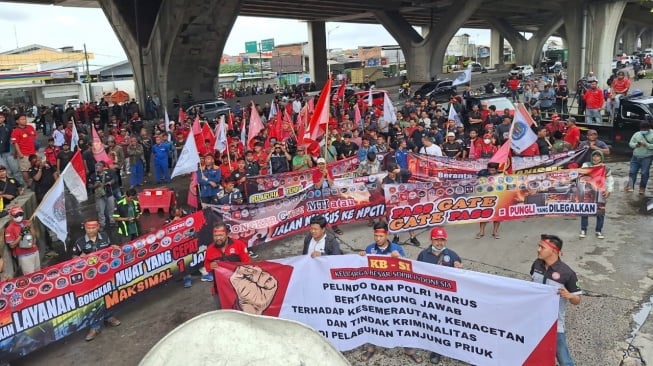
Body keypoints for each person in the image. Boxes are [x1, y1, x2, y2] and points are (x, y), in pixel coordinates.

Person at [358, 222, 421, 363]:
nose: (377, 238)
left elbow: (407, 270)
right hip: (375, 292)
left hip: (394, 294)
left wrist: (399, 258)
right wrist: (361, 256)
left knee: (402, 319)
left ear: (387, 235)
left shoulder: (397, 248)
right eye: (375, 235)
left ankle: (409, 349)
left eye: (380, 236)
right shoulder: (369, 248)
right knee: (373, 319)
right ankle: (371, 348)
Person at [530, 234, 581, 366]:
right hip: (534, 319)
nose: (538, 249)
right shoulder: (537, 264)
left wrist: (569, 295)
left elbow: (577, 300)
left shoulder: (568, 273)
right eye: (539, 246)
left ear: (554, 250)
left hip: (554, 322)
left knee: (563, 357)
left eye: (542, 247)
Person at [416, 226, 462, 364]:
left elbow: (461, 279)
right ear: (431, 240)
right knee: (434, 323)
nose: (439, 243)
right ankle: (436, 350)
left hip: (446, 298)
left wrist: (460, 269)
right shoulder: (423, 255)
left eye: (442, 240)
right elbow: (416, 273)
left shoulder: (453, 255)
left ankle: (453, 348)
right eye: (437, 240)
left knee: (447, 323)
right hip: (429, 296)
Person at [72, 219, 121, 341]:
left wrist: (112, 247)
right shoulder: (80, 242)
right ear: (85, 228)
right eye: (88, 228)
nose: (91, 231)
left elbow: (109, 248)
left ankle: (109, 317)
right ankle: (94, 327)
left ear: (98, 227)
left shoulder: (104, 237)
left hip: (105, 274)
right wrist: (79, 258)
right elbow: (72, 259)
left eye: (93, 228)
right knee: (93, 302)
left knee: (107, 296)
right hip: (89, 278)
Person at [204, 223, 251, 307]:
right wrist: (210, 266)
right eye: (215, 236)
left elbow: (248, 265)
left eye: (221, 235)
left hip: (239, 288)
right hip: (219, 290)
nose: (218, 238)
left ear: (227, 234)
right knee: (224, 315)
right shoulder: (209, 250)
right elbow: (207, 267)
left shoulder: (239, 245)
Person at [579, 150, 613, 239]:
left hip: (600, 192)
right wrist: (598, 166)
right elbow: (585, 172)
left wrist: (609, 190)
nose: (596, 158)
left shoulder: (606, 169)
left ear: (601, 157)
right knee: (585, 211)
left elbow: (610, 181)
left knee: (600, 212)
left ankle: (598, 231)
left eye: (598, 156)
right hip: (588, 191)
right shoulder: (586, 165)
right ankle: (583, 229)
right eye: (594, 156)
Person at [4, 206, 40, 275]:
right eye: (16, 215)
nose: (19, 216)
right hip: (24, 256)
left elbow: (35, 236)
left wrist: (31, 227)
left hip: (35, 251)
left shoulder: (27, 222)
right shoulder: (9, 229)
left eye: (20, 214)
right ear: (11, 216)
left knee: (38, 273)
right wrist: (22, 233)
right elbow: (12, 245)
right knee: (29, 276)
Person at [625, 121, 653, 194]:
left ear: (649, 128)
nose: (643, 131)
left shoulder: (652, 134)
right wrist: (636, 145)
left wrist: (647, 145)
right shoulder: (637, 134)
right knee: (632, 172)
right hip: (635, 157)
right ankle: (630, 186)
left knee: (644, 173)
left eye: (645, 129)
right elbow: (630, 144)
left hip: (647, 157)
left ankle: (642, 188)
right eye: (642, 129)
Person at [88, 161, 116, 231]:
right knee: (100, 210)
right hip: (99, 196)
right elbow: (89, 185)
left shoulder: (108, 173)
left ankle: (112, 221)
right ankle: (102, 224)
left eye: (99, 167)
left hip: (109, 194)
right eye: (96, 167)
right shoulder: (93, 176)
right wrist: (94, 186)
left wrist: (110, 182)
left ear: (102, 167)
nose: (97, 168)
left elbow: (114, 179)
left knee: (111, 208)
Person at [10, 114, 37, 186]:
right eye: (22, 119)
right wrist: (19, 153)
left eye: (25, 119)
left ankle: (35, 181)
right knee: (25, 169)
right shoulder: (15, 131)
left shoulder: (30, 127)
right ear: (17, 121)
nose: (24, 120)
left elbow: (34, 138)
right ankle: (28, 183)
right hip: (24, 153)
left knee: (34, 167)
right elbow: (15, 143)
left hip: (33, 152)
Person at [477, 162, 501, 239]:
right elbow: (477, 183)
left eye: (493, 170)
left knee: (497, 215)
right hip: (485, 195)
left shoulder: (501, 174)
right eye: (489, 170)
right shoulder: (482, 173)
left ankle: (495, 231)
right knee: (483, 213)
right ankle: (481, 231)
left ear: (497, 170)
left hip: (498, 195)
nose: (491, 172)